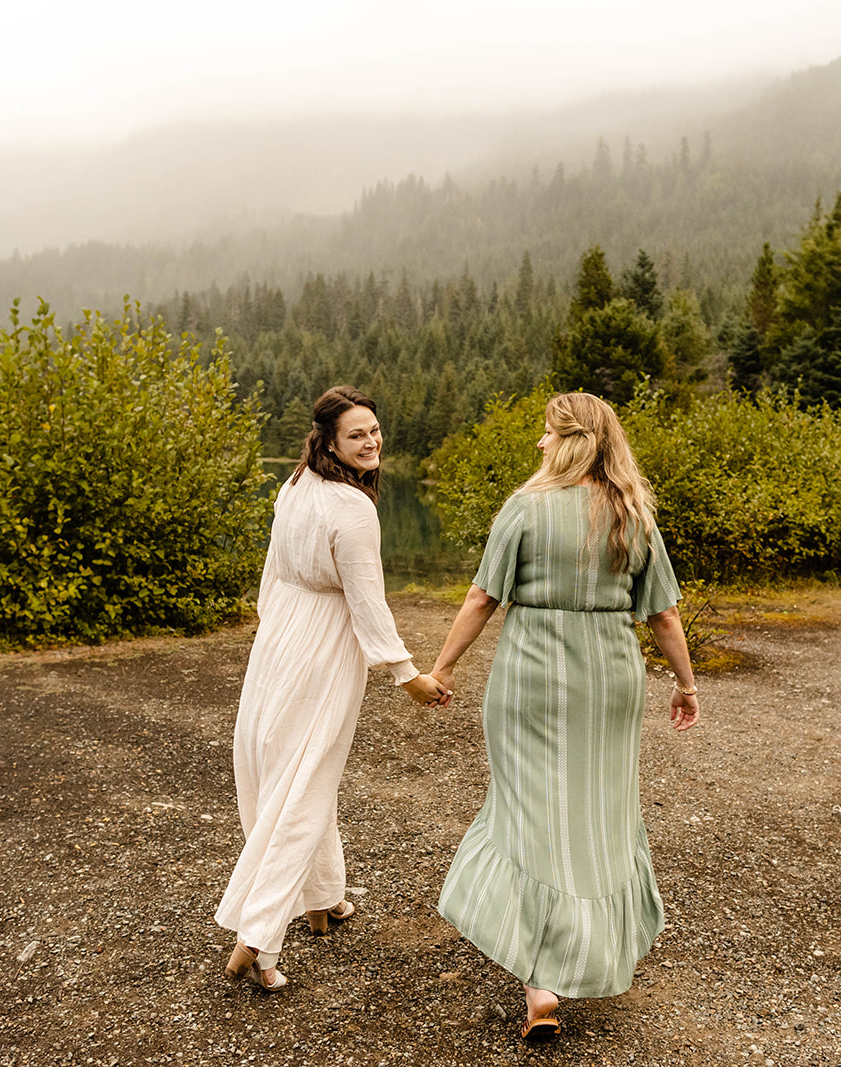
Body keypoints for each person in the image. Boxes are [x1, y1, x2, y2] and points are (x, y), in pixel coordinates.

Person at [430, 391, 699, 1039]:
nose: (540, 443)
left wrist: (443, 667)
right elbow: (663, 613)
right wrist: (686, 683)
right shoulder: (632, 513)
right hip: (610, 677)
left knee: (529, 809)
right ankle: (580, 952)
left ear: (572, 440)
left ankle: (540, 980)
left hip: (532, 676)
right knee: (597, 812)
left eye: (548, 433)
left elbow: (481, 597)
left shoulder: (526, 507)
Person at [216, 385, 447, 991]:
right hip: (321, 644)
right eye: (356, 435)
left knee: (293, 771)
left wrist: (273, 631)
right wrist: (407, 674)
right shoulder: (351, 506)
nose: (371, 443)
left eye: (374, 430)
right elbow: (367, 600)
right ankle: (259, 937)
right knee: (304, 785)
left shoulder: (294, 485)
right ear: (328, 440)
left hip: (281, 638)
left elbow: (271, 573)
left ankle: (322, 899)